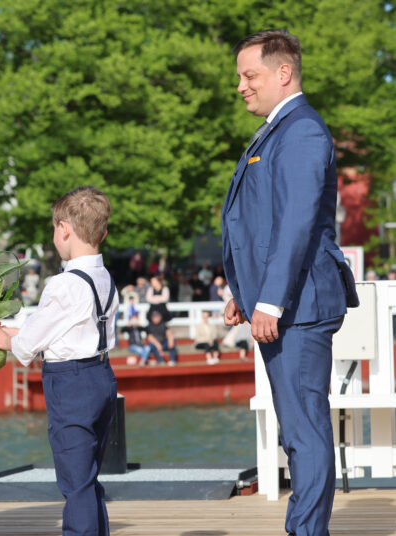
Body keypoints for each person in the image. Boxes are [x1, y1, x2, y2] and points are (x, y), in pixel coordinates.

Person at [222, 30, 357, 536]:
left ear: (283, 73)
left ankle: (306, 532)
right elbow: (266, 224)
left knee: (304, 431)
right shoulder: (279, 129)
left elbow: (297, 225)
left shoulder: (300, 131)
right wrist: (246, 293)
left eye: (249, 75)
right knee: (298, 430)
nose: (240, 86)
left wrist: (271, 302)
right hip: (285, 304)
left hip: (298, 308)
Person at [0, 186, 118, 536]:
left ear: (63, 230)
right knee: (88, 478)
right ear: (102, 233)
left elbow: (29, 343)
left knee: (75, 481)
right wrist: (18, 335)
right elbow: (58, 331)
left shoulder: (63, 285)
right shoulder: (104, 278)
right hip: (101, 375)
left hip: (70, 383)